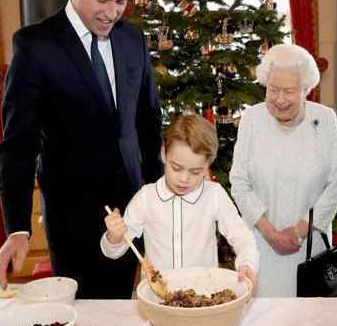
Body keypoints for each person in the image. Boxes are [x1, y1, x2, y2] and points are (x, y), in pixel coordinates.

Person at [0, 0, 163, 299]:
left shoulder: (133, 40)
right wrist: (17, 227)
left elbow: (149, 126)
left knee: (124, 310)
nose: (111, 12)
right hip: (74, 222)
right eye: (102, 0)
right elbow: (18, 145)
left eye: (120, 2)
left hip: (132, 212)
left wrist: (159, 197)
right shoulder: (35, 46)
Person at [229, 44, 337, 297]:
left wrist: (298, 230)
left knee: (310, 317)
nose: (280, 99)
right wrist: (270, 233)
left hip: (309, 248)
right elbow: (239, 182)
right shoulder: (251, 119)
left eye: (289, 91)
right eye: (273, 90)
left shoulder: (325, 120)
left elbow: (335, 184)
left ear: (306, 89)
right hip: (260, 244)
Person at [102, 114, 259, 291]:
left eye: (195, 171)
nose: (184, 179)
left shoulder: (214, 195)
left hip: (203, 296)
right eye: (176, 168)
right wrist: (114, 237)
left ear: (208, 164)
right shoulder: (146, 198)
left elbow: (242, 236)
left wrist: (247, 263)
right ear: (163, 154)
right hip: (157, 298)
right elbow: (114, 252)